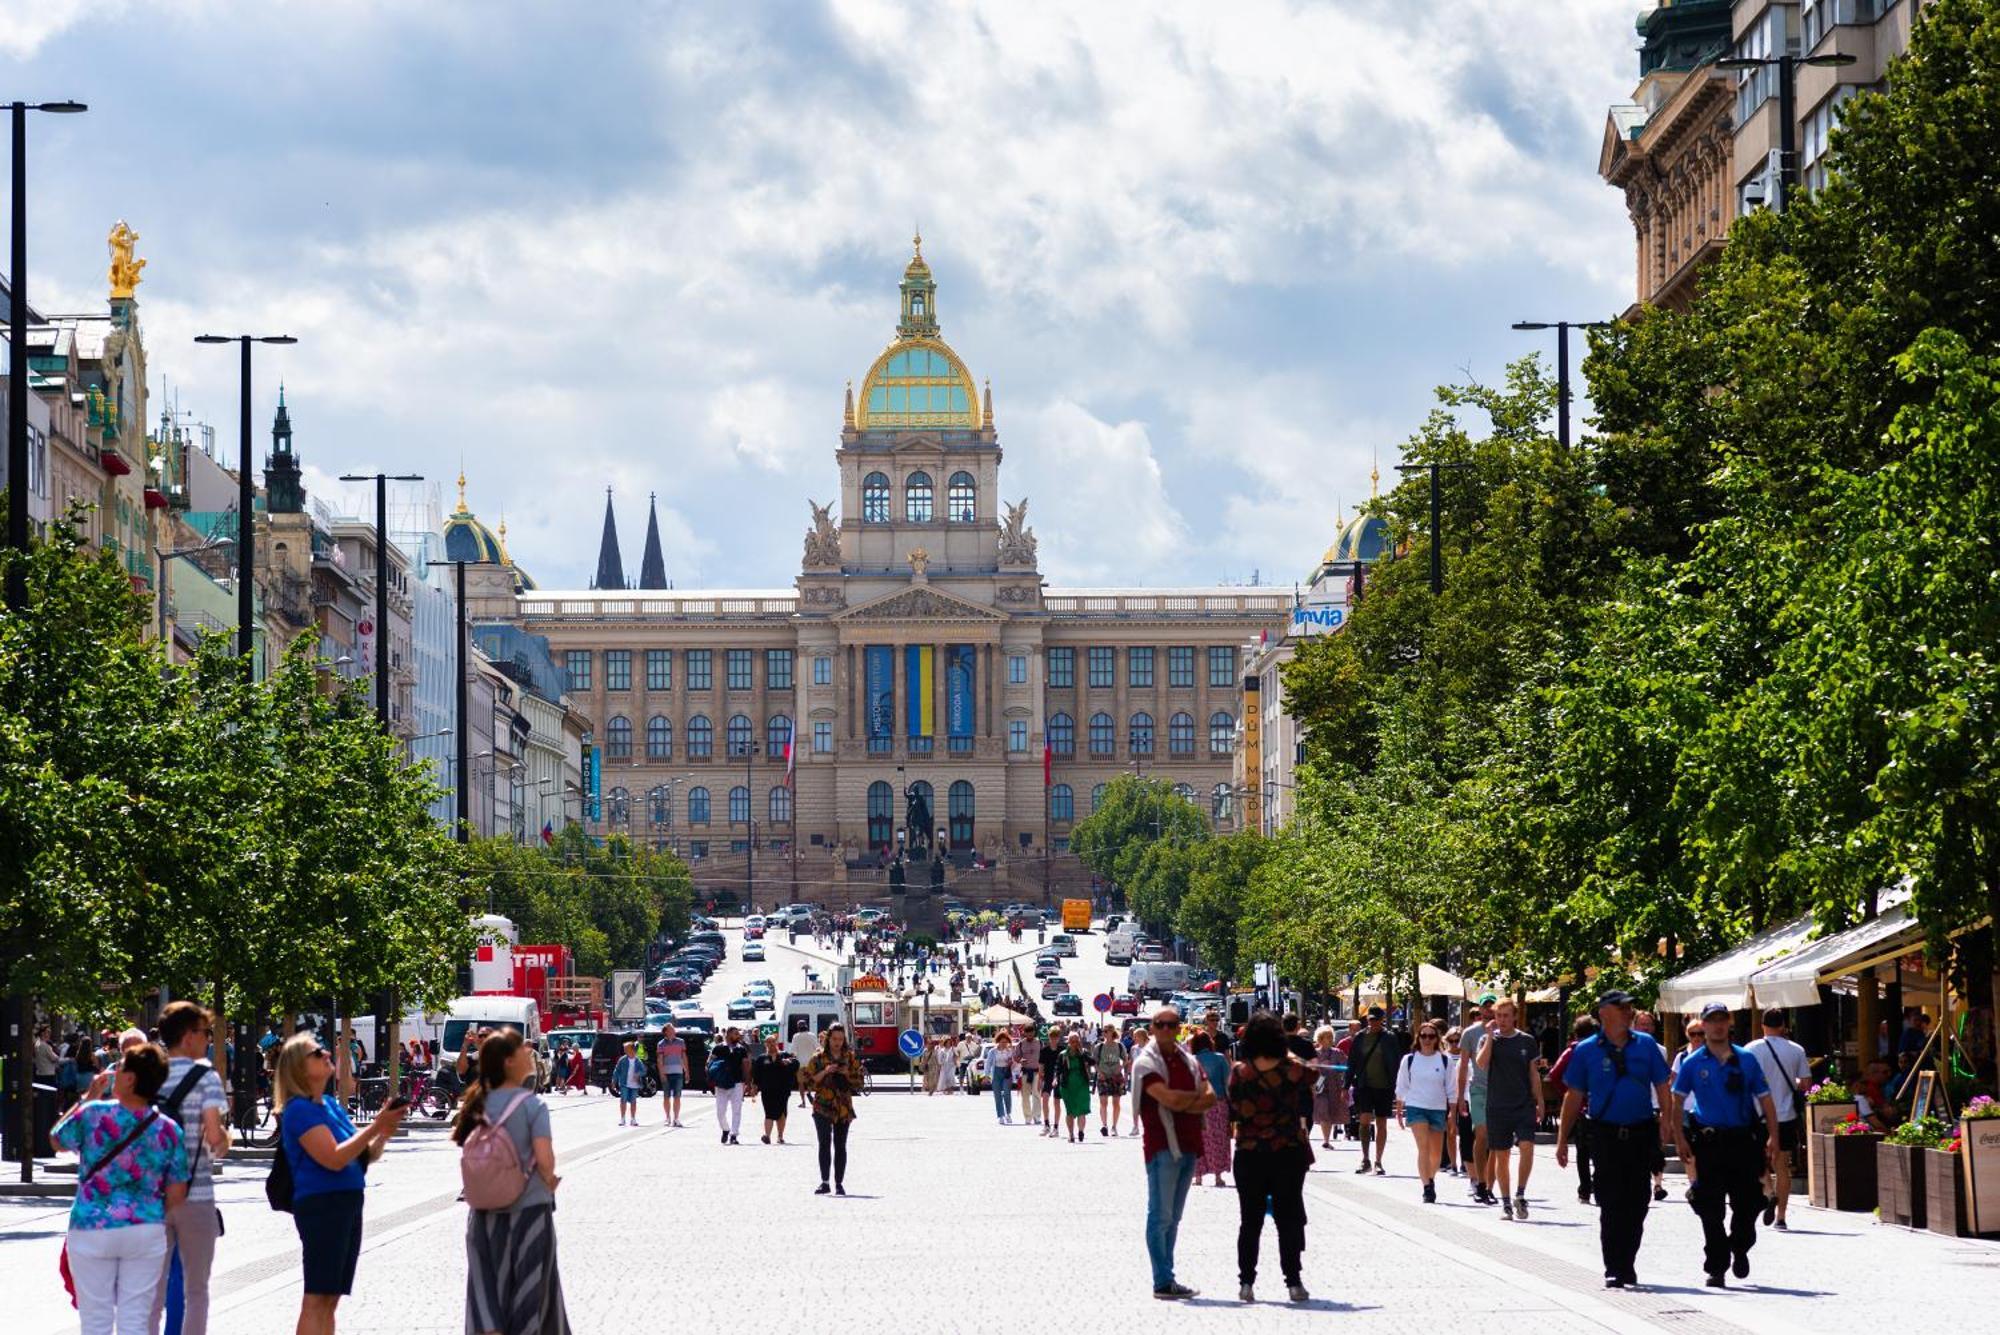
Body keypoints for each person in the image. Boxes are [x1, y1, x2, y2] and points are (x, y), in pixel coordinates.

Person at [51, 1042, 189, 1335]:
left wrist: (89, 1096)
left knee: (95, 1320)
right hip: (145, 1229)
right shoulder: (168, 1129)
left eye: (120, 1067)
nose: (113, 1072)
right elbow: (177, 1194)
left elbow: (56, 1139)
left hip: (92, 1226)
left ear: (130, 1079)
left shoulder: (94, 1114)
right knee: (135, 1320)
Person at [276, 1032, 407, 1335]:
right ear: (298, 1067)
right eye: (316, 1053)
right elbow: (333, 1158)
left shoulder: (331, 1106)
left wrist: (384, 1131)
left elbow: (363, 1154)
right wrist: (376, 1125)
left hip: (347, 1202)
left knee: (331, 1296)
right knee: (317, 1295)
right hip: (322, 1206)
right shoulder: (299, 1110)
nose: (326, 1054)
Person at [452, 1029, 569, 1334]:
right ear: (508, 1062)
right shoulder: (532, 1106)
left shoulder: (476, 1103)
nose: (528, 1052)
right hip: (529, 1212)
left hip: (483, 1216)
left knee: (487, 1298)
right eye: (522, 1050)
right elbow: (545, 1158)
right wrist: (550, 1179)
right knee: (531, 1299)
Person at [1555, 992, 1675, 1289]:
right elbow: (1574, 1096)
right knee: (1609, 1201)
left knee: (1638, 1201)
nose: (1628, 1011)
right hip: (1605, 1133)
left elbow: (1662, 1086)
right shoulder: (1586, 1050)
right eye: (1621, 1007)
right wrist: (1561, 1140)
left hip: (1640, 1131)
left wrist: (1667, 1123)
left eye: (1629, 1006)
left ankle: (1628, 1261)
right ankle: (1613, 1266)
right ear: (1604, 1013)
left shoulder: (1646, 1045)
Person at [1673, 1002, 1781, 1288]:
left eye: (1722, 1020)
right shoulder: (1693, 1062)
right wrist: (1679, 1137)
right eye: (1712, 1021)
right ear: (1703, 1025)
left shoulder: (1746, 1059)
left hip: (1743, 1142)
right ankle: (1717, 1266)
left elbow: (1766, 1101)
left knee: (1748, 1205)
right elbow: (1677, 1100)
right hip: (1709, 1143)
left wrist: (1773, 1136)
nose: (1717, 1025)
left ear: (1729, 1023)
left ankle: (1740, 1247)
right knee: (1709, 1207)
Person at [149, 1001, 231, 1335]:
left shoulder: (149, 1075)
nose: (208, 1039)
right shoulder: (205, 1077)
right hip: (194, 1194)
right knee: (195, 1290)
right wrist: (224, 1138)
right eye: (205, 1032)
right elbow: (214, 1137)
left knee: (152, 1291)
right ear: (188, 1036)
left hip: (151, 1196)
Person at [1226, 1013, 1315, 1304]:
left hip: (1249, 1153)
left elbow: (1233, 1109)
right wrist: (1287, 1052)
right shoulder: (1291, 1069)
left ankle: (1246, 1283)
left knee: (1249, 1221)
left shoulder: (1240, 1072)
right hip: (1287, 1151)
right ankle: (1294, 1282)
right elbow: (1313, 1074)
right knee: (1287, 1219)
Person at [1134, 1007, 1214, 1300]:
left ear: (1179, 1028)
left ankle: (1168, 1275)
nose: (1167, 1029)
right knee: (1160, 1215)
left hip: (1190, 1144)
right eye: (1161, 1024)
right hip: (1162, 1146)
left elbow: (1211, 1096)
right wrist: (1192, 1100)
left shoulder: (1189, 1060)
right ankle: (1162, 1280)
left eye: (1172, 1024)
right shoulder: (1146, 1063)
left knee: (1174, 1217)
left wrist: (1185, 1102)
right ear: (1152, 1028)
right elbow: (1166, 1098)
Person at [1476, 999, 1544, 1220]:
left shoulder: (1527, 1041)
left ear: (1514, 1017)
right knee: (1502, 1155)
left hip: (1523, 1104)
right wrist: (1489, 1038)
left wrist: (1539, 1100)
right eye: (1499, 1016)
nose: (1502, 1020)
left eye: (1506, 1016)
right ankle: (1505, 1202)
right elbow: (1481, 1063)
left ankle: (1520, 1194)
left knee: (1527, 1146)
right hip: (1497, 1105)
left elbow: (1533, 1073)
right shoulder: (1489, 1040)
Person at [1744, 1008, 1810, 1231]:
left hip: (1758, 1115)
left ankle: (1769, 1193)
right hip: (1786, 1115)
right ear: (1783, 1025)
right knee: (1781, 1165)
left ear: (1762, 1025)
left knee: (1757, 1163)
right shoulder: (1796, 1050)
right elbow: (1806, 1085)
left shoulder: (1751, 1050)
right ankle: (1781, 1217)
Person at [799, 1023, 865, 1195]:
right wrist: (826, 1072)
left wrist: (846, 1074)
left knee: (840, 1145)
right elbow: (808, 1082)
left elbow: (859, 1083)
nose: (838, 1043)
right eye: (835, 1039)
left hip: (843, 1107)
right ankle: (825, 1182)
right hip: (822, 1106)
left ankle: (839, 1183)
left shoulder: (849, 1057)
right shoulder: (818, 1058)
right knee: (824, 1144)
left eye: (841, 1039)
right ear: (828, 1039)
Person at [1393, 1022, 1455, 1204]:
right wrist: (1399, 1108)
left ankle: (1431, 1178)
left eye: (1431, 1036)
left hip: (1438, 1108)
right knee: (1424, 1147)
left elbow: (1451, 1088)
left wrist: (1452, 1113)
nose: (1427, 1039)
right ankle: (1427, 1187)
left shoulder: (1445, 1060)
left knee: (1436, 1153)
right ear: (1418, 1038)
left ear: (1437, 1039)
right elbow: (1402, 1084)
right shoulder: (1409, 1059)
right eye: (1423, 1036)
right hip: (1416, 1106)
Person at [1547, 1015, 1599, 1205]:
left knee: (1583, 1150)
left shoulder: (1572, 1050)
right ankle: (1594, 1184)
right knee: (1595, 1149)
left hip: (1580, 1107)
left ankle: (1585, 1189)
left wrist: (1567, 1091)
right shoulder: (1590, 1049)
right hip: (1591, 1106)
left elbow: (1554, 1075)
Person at [1344, 1007, 1402, 1176]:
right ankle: (1365, 1159)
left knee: (1382, 1123)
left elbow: (1397, 1063)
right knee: (1364, 1120)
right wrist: (1345, 1086)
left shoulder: (1390, 1038)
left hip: (1384, 1087)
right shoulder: (1360, 1038)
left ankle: (1378, 1161)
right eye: (1371, 1020)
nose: (1373, 1023)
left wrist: (1399, 1088)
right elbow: (1352, 1062)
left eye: (1376, 1020)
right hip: (1364, 1086)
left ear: (1382, 1020)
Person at [1455, 995, 1497, 1202]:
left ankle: (1490, 1184)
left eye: (1492, 1006)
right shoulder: (1470, 1033)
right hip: (1478, 1089)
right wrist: (1460, 1096)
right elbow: (1463, 1065)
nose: (1489, 1010)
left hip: (1500, 1091)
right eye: (1485, 1006)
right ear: (1479, 1009)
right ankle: (1480, 1182)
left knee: (1496, 1141)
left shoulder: (1504, 1031)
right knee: (1481, 1135)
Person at [1190, 1031, 1233, 1188]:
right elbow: (1228, 1083)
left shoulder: (1191, 1061)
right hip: (1219, 1104)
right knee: (1219, 1139)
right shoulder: (1220, 1059)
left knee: (1199, 1139)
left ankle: (1198, 1176)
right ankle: (1218, 1176)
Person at [708, 1026, 755, 1145]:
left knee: (736, 1110)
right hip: (721, 1083)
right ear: (728, 1034)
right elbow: (709, 1063)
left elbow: (746, 1066)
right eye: (735, 1034)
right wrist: (712, 1075)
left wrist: (748, 1083)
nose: (738, 1036)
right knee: (720, 1111)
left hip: (737, 1082)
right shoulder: (718, 1048)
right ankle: (725, 1129)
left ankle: (734, 1134)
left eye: (738, 1034)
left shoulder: (741, 1049)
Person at [752, 1034, 800, 1145]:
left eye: (773, 1042)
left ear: (776, 1043)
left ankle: (780, 1136)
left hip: (783, 1090)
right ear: (765, 1044)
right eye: (768, 1042)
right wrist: (754, 1087)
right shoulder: (761, 1058)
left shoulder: (784, 1055)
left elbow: (796, 1064)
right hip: (767, 1090)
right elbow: (756, 1075)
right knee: (768, 1112)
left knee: (781, 1113)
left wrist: (788, 1063)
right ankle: (767, 1136)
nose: (771, 1044)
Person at [1308, 1025, 1345, 1149]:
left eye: (1330, 1037)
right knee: (1323, 1111)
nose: (1329, 1040)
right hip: (1319, 1086)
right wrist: (1320, 1066)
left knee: (1330, 1112)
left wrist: (1334, 1068)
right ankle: (1325, 1140)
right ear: (1319, 1039)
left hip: (1334, 1086)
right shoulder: (1314, 1053)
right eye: (1326, 1037)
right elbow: (1308, 1069)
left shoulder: (1338, 1053)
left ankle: (1327, 1140)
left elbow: (1346, 1068)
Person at [1055, 1031, 1095, 1142]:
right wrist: (1055, 1080)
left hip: (1082, 1084)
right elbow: (1057, 1070)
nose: (1074, 1043)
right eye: (1072, 1041)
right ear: (1068, 1042)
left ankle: (1081, 1131)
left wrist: (1082, 1053)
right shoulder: (1063, 1055)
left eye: (1076, 1041)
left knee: (1082, 1109)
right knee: (1070, 1111)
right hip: (1067, 1085)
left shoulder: (1083, 1052)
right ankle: (1071, 1134)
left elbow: (1092, 1062)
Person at [1095, 1024, 1128, 1136]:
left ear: (1112, 1032)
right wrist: (1099, 1073)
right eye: (1103, 1031)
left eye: (1106, 1031)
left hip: (1116, 1077)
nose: (1104, 1033)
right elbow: (1094, 1062)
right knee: (1103, 1102)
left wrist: (1121, 1067)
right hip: (1103, 1077)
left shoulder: (1119, 1046)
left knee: (1116, 1103)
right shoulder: (1099, 1047)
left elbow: (1126, 1059)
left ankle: (1114, 1127)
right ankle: (1104, 1125)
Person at [655, 1025, 686, 1127]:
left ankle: (676, 1118)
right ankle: (667, 1117)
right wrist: (662, 1073)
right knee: (666, 1096)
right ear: (666, 1032)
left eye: (673, 1029)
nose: (674, 1030)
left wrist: (687, 1072)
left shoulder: (681, 1042)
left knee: (677, 1096)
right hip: (666, 1072)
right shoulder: (661, 1044)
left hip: (678, 1072)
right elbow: (660, 1060)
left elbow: (684, 1057)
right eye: (671, 1029)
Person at [612, 1042, 644, 1127]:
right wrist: (614, 1081)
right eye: (624, 1049)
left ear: (632, 1049)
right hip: (624, 1083)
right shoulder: (622, 1060)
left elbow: (643, 1071)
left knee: (633, 1101)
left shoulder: (638, 1060)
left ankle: (633, 1119)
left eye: (626, 1049)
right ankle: (622, 1119)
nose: (625, 1051)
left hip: (634, 1084)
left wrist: (638, 1074)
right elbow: (617, 1071)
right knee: (623, 1100)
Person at [987, 1031, 1015, 1123]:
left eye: (1005, 1042)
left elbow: (1014, 1064)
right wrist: (986, 1075)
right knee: (997, 1094)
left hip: (1006, 1073)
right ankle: (1001, 1115)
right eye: (1002, 1042)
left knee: (1007, 1093)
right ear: (998, 1041)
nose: (1004, 1044)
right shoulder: (992, 1051)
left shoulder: (1010, 1051)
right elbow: (988, 1064)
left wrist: (1011, 1063)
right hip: (996, 1072)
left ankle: (1008, 1114)